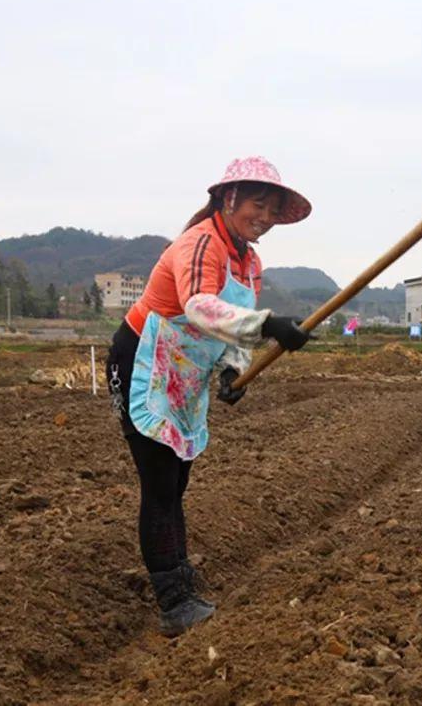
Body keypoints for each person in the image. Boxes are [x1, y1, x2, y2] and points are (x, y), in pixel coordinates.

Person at [106, 156, 314, 636]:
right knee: (159, 485)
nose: (263, 217)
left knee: (176, 483)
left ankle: (180, 582)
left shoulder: (249, 260)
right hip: (145, 360)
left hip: (185, 370)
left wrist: (233, 369)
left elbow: (229, 331)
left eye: (272, 211)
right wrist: (268, 324)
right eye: (257, 204)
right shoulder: (200, 243)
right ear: (228, 198)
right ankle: (174, 602)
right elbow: (200, 306)